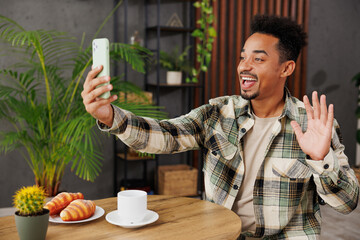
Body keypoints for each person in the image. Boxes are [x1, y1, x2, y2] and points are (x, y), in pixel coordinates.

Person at [82, 15, 359, 239]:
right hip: (222, 234)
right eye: (243, 57)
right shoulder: (218, 113)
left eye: (258, 59)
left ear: (286, 68)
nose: (244, 66)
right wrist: (110, 116)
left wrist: (320, 159)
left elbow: (347, 203)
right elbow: (167, 136)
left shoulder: (314, 126)